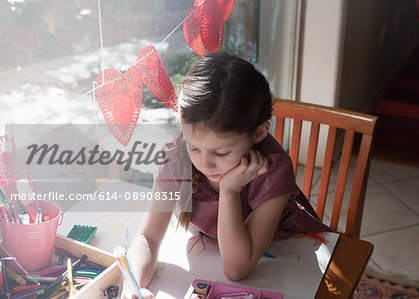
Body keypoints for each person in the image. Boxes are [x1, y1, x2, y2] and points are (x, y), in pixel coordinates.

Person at [121, 51, 331, 299]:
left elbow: (236, 268)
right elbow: (147, 236)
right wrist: (132, 286)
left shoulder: (272, 170)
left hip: (289, 257)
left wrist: (230, 190)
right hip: (212, 254)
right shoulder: (177, 157)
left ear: (260, 133)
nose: (204, 162)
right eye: (193, 147)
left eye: (220, 152)